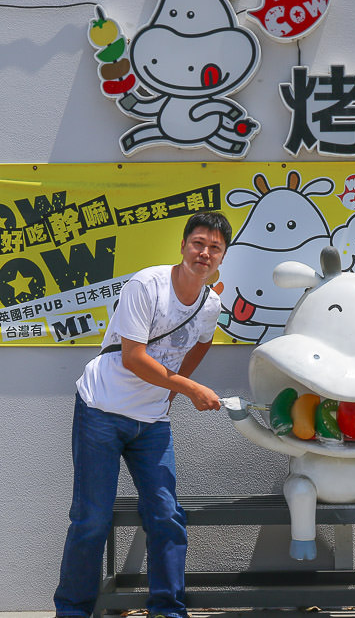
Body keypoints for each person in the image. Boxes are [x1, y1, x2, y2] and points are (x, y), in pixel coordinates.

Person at [53, 211, 232, 618]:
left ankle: (168, 610)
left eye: (215, 248)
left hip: (151, 420)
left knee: (166, 514)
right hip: (101, 408)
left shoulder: (210, 303)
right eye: (198, 243)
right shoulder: (146, 285)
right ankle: (73, 611)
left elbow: (202, 343)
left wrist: (171, 392)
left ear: (222, 257)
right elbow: (133, 357)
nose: (204, 252)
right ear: (183, 245)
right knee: (91, 520)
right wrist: (188, 389)